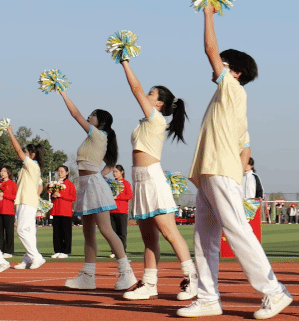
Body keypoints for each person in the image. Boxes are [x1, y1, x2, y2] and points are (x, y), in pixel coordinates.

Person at [177, 4, 292, 319]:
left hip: (219, 172)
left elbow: (209, 49)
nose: (218, 66)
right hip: (210, 173)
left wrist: (208, 13)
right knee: (204, 239)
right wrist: (237, 173)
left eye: (224, 64)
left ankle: (274, 291)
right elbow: (246, 145)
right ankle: (208, 298)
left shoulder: (232, 89)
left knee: (238, 231)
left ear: (235, 72)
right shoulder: (227, 99)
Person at [116, 59, 197, 300]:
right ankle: (150, 284)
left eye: (151, 94)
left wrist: (125, 62)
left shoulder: (156, 118)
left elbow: (135, 89)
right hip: (140, 180)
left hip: (152, 179)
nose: (146, 95)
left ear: (159, 103)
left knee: (169, 232)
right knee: (149, 238)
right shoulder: (146, 120)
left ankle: (192, 278)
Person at [54, 90, 137, 290]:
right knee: (88, 233)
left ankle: (127, 273)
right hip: (87, 184)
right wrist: (101, 175)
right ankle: (88, 276)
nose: (89, 116)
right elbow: (110, 163)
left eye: (93, 115)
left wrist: (62, 92)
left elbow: (76, 115)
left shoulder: (98, 135)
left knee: (106, 230)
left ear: (102, 122)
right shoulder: (97, 138)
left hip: (93, 184)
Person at [4, 126, 45, 270]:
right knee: (29, 231)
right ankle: (28, 258)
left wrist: (10, 133)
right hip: (25, 200)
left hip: (27, 201)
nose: (24, 154)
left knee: (21, 230)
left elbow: (18, 151)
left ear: (32, 155)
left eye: (26, 152)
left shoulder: (32, 165)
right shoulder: (31, 167)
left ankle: (36, 257)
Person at [50, 165, 76, 258]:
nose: (60, 173)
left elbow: (73, 197)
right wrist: (53, 195)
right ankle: (57, 250)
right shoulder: (55, 184)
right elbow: (52, 196)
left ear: (67, 173)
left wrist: (61, 195)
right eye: (59, 171)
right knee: (56, 232)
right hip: (56, 210)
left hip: (65, 211)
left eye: (62, 171)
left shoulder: (70, 184)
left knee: (66, 232)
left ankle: (65, 251)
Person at [109, 164, 132, 259]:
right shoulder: (111, 184)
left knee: (122, 233)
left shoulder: (126, 184)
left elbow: (129, 196)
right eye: (113, 172)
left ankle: (122, 252)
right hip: (111, 211)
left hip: (122, 211)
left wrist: (117, 197)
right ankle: (114, 251)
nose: (114, 174)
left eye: (116, 172)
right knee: (112, 233)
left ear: (122, 172)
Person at [0, 166, 17, 257]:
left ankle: (8, 251)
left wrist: (4, 195)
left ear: (9, 173)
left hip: (8, 211)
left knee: (9, 231)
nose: (2, 173)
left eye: (4, 171)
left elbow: (15, 197)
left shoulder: (12, 184)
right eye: (1, 171)